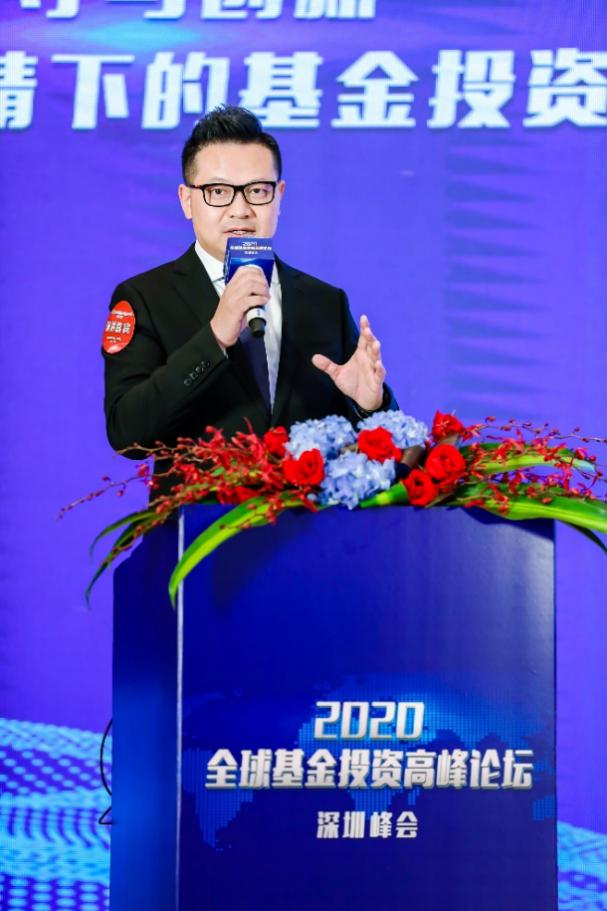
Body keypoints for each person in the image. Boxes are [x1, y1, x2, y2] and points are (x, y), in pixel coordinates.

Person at [103, 106, 397, 472]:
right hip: (202, 510)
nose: (240, 209)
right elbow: (127, 433)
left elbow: (379, 450)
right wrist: (214, 338)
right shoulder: (145, 298)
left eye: (257, 190)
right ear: (186, 200)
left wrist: (369, 405)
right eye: (218, 191)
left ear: (279, 196)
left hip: (305, 510)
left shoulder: (325, 302)